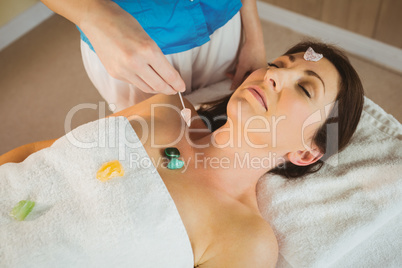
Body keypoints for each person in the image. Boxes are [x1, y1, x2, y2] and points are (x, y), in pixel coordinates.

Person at [0, 41, 364, 266]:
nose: (273, 76)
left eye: (304, 89)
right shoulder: (164, 109)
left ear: (305, 152)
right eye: (278, 65)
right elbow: (36, 153)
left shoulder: (245, 238)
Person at [40, 0, 267, 111]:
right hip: (132, 44)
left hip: (222, 19)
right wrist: (92, 16)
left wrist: (255, 37)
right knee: (148, 131)